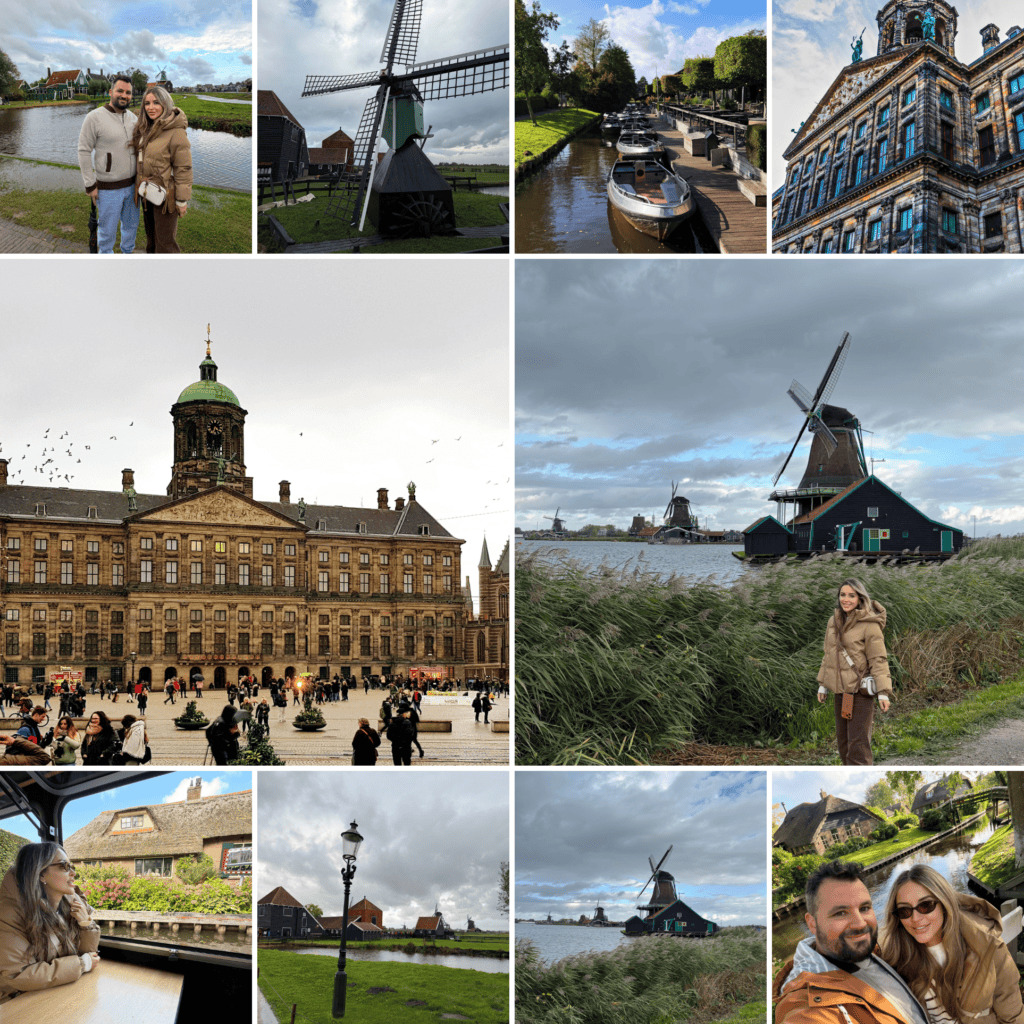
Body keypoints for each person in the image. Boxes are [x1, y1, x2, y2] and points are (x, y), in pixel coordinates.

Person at [774, 860, 928, 1024]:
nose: (861, 923)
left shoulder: (867, 951)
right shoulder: (805, 1007)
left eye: (864, 908)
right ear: (812, 923)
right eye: (840, 913)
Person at [879, 864, 1024, 1024]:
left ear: (943, 903)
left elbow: (1012, 1016)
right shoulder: (896, 956)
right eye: (905, 910)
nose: (915, 918)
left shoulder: (986, 945)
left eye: (925, 905)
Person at [0, 843, 100, 1001]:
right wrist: (81, 964)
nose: (73, 873)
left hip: (56, 991)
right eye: (64, 866)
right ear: (41, 874)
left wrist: (86, 924)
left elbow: (87, 955)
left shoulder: (70, 904)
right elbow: (19, 974)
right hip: (17, 999)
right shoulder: (10, 914)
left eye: (71, 866)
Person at [816, 578, 893, 766]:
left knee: (857, 747)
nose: (846, 599)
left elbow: (878, 659)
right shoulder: (833, 622)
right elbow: (829, 656)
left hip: (860, 693)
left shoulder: (869, 624)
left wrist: (883, 692)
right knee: (843, 746)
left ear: (860, 598)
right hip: (841, 693)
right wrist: (823, 685)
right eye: (843, 595)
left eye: (852, 595)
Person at [76, 75, 140, 255]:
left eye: (128, 92)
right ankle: (106, 265)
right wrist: (90, 184)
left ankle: (127, 258)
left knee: (131, 229)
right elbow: (83, 150)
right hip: (108, 189)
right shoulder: (94, 117)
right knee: (107, 233)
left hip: (133, 187)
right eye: (120, 91)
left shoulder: (134, 118)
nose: (124, 95)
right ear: (111, 92)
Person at [132, 86, 192, 254]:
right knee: (151, 241)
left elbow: (183, 168)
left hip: (165, 198)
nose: (150, 107)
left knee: (165, 245)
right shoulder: (146, 128)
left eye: (156, 103)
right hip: (147, 194)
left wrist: (181, 200)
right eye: (147, 103)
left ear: (165, 104)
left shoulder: (176, 132)